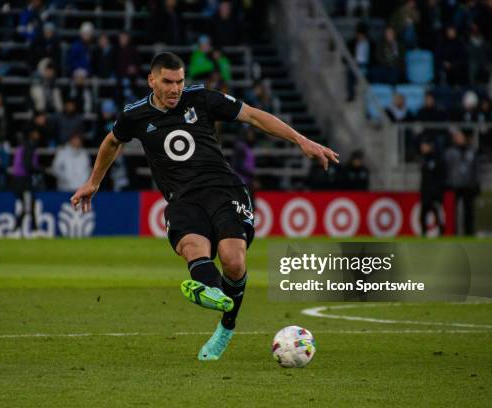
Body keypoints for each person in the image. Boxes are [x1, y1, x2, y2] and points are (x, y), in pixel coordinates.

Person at [70, 52, 339, 361]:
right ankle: (212, 290)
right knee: (192, 248)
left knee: (233, 261)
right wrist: (94, 181)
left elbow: (253, 115)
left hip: (223, 189)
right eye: (168, 82)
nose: (175, 89)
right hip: (182, 198)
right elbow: (111, 142)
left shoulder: (201, 98)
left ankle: (225, 325)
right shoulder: (135, 115)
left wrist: (302, 141)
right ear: (152, 80)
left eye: (180, 81)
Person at [445, 129, 480, 236]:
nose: (458, 138)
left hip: (469, 185)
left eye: (460, 136)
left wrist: (477, 183)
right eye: (456, 136)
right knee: (452, 212)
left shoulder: (472, 151)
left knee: (469, 211)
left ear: (465, 137)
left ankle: (469, 233)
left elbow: (476, 168)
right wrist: (447, 183)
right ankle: (453, 232)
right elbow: (446, 169)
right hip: (454, 185)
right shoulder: (450, 152)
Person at [419, 139, 445, 236]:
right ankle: (423, 233)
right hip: (425, 192)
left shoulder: (437, 159)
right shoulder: (423, 159)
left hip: (434, 193)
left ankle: (441, 232)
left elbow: (440, 177)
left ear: (430, 146)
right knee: (423, 215)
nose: (422, 147)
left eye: (424, 145)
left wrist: (438, 191)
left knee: (437, 213)